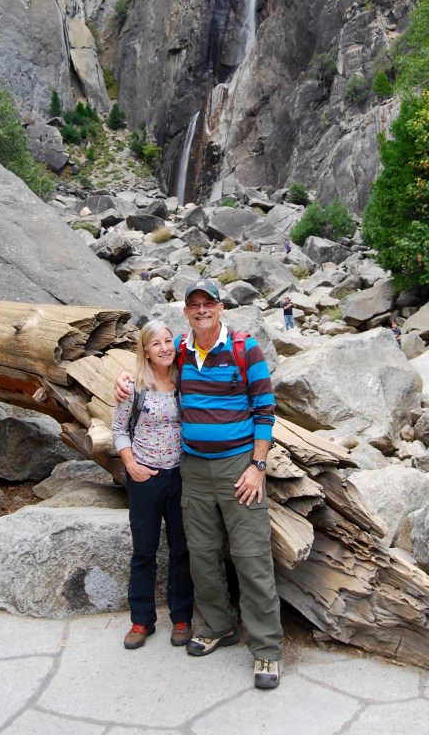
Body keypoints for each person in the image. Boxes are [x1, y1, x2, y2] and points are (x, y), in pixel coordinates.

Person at [114, 279, 283, 689]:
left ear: (221, 308)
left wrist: (257, 466)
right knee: (202, 555)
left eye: (209, 303)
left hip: (237, 468)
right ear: (186, 312)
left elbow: (265, 411)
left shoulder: (246, 349)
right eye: (194, 305)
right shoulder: (183, 351)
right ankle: (220, 626)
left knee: (250, 555)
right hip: (192, 469)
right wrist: (121, 378)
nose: (202, 310)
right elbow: (146, 367)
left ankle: (266, 651)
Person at [112, 320, 193, 651]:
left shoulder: (182, 381)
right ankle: (141, 619)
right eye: (156, 343)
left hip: (180, 476)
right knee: (144, 551)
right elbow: (119, 430)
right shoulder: (134, 387)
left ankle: (182, 617)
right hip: (146, 478)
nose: (164, 348)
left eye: (167, 341)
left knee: (182, 549)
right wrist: (132, 465)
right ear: (145, 350)